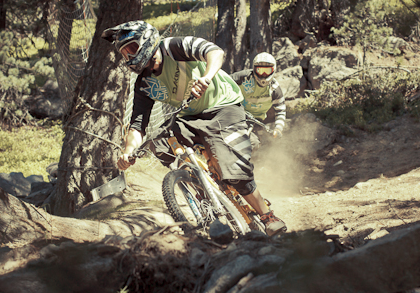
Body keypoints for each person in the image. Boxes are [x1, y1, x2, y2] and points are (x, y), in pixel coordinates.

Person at [101, 20, 287, 236]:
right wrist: (128, 151)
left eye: (132, 49)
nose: (129, 57)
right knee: (159, 143)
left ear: (147, 41)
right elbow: (137, 125)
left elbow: (214, 52)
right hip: (189, 115)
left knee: (233, 169)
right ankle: (204, 190)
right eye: (124, 54)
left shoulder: (173, 47)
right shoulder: (144, 83)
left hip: (223, 106)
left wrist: (206, 77)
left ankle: (267, 215)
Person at [230, 52, 286, 147]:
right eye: (260, 70)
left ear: (273, 70)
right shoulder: (244, 77)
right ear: (254, 69)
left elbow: (281, 111)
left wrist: (278, 128)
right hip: (236, 116)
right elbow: (224, 81)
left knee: (254, 145)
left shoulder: (275, 89)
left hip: (256, 122)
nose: (263, 75)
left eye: (267, 71)